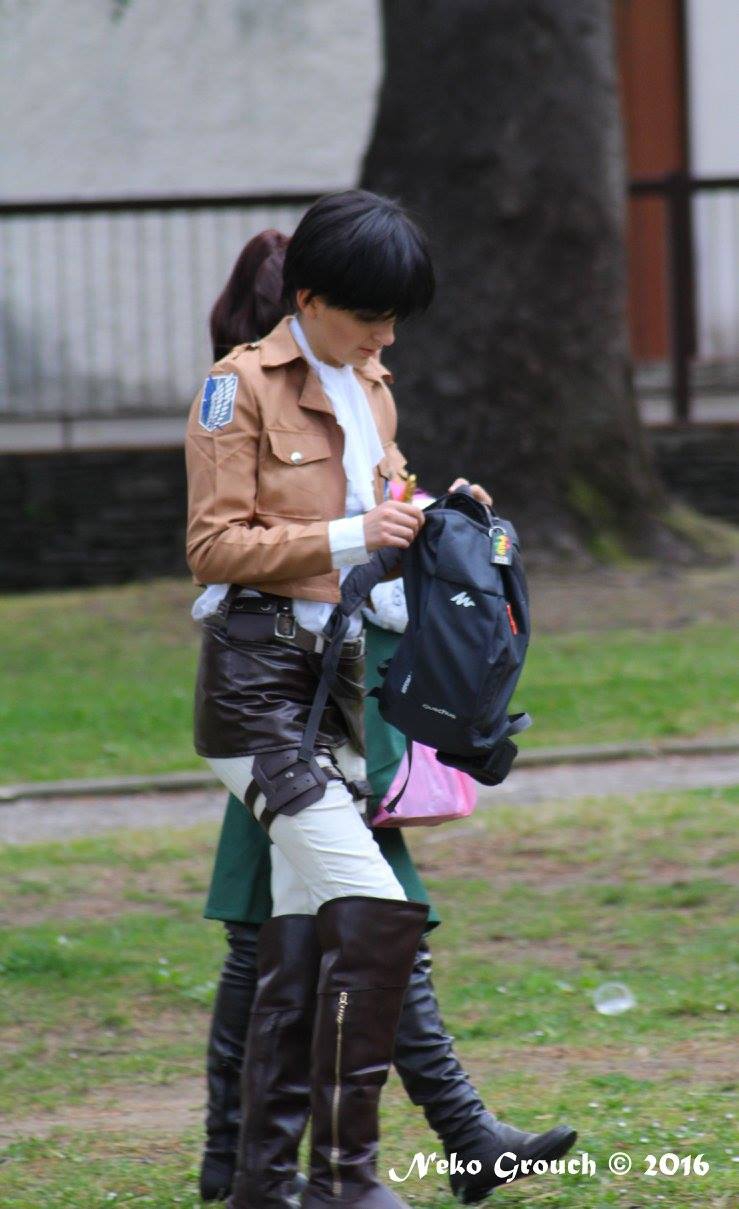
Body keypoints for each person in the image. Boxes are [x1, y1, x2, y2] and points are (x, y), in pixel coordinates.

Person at [185, 193, 575, 1208]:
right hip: (258, 691)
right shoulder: (236, 388)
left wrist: (441, 516)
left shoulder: (370, 384)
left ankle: (266, 1183)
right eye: (369, 316)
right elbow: (213, 546)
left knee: (294, 936)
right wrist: (357, 535)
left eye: (395, 319)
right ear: (309, 297)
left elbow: (385, 508)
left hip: (343, 690)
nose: (385, 337)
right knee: (376, 909)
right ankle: (347, 1180)